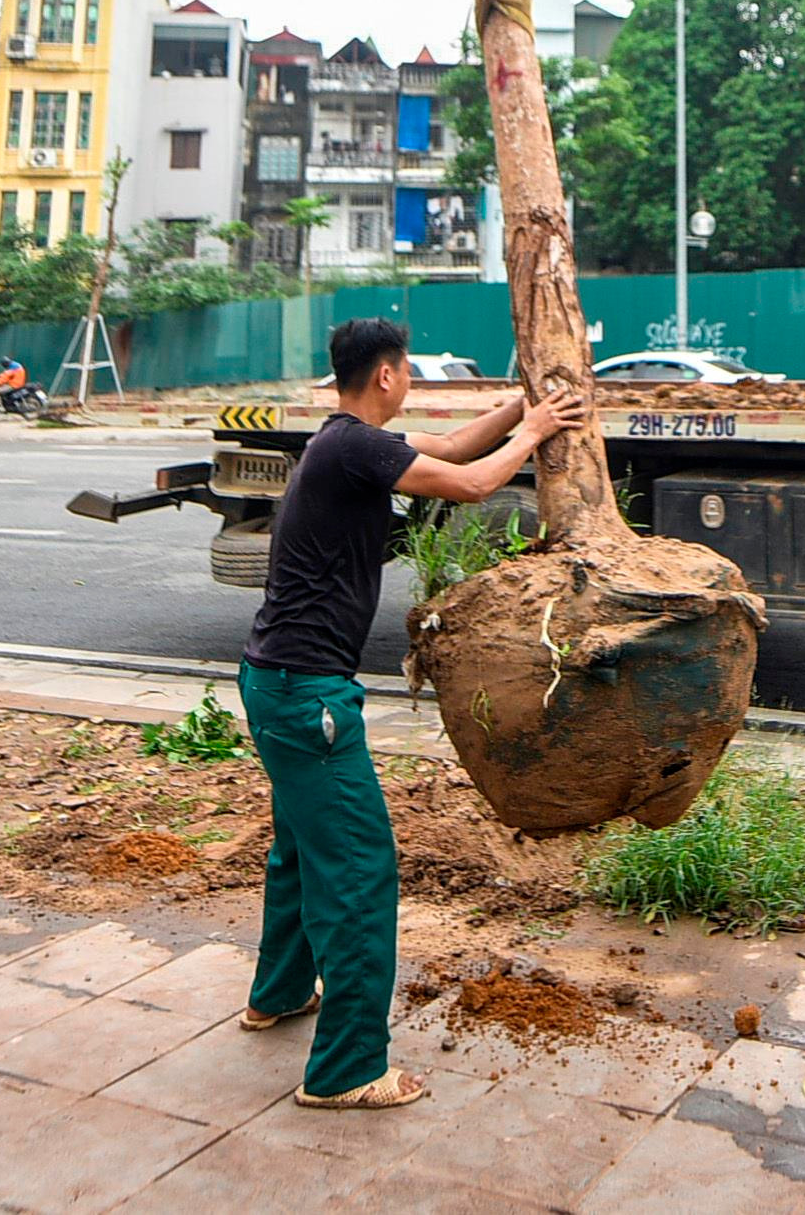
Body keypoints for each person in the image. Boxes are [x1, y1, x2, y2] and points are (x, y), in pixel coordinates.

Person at [237, 317, 588, 1112]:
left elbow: (456, 446)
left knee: (300, 852)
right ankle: (347, 1070)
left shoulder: (342, 441)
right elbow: (472, 484)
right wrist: (536, 431)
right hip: (310, 700)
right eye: (409, 373)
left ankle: (278, 994)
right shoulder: (356, 449)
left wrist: (520, 406)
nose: (411, 386)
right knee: (358, 873)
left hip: (275, 686)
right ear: (388, 376)